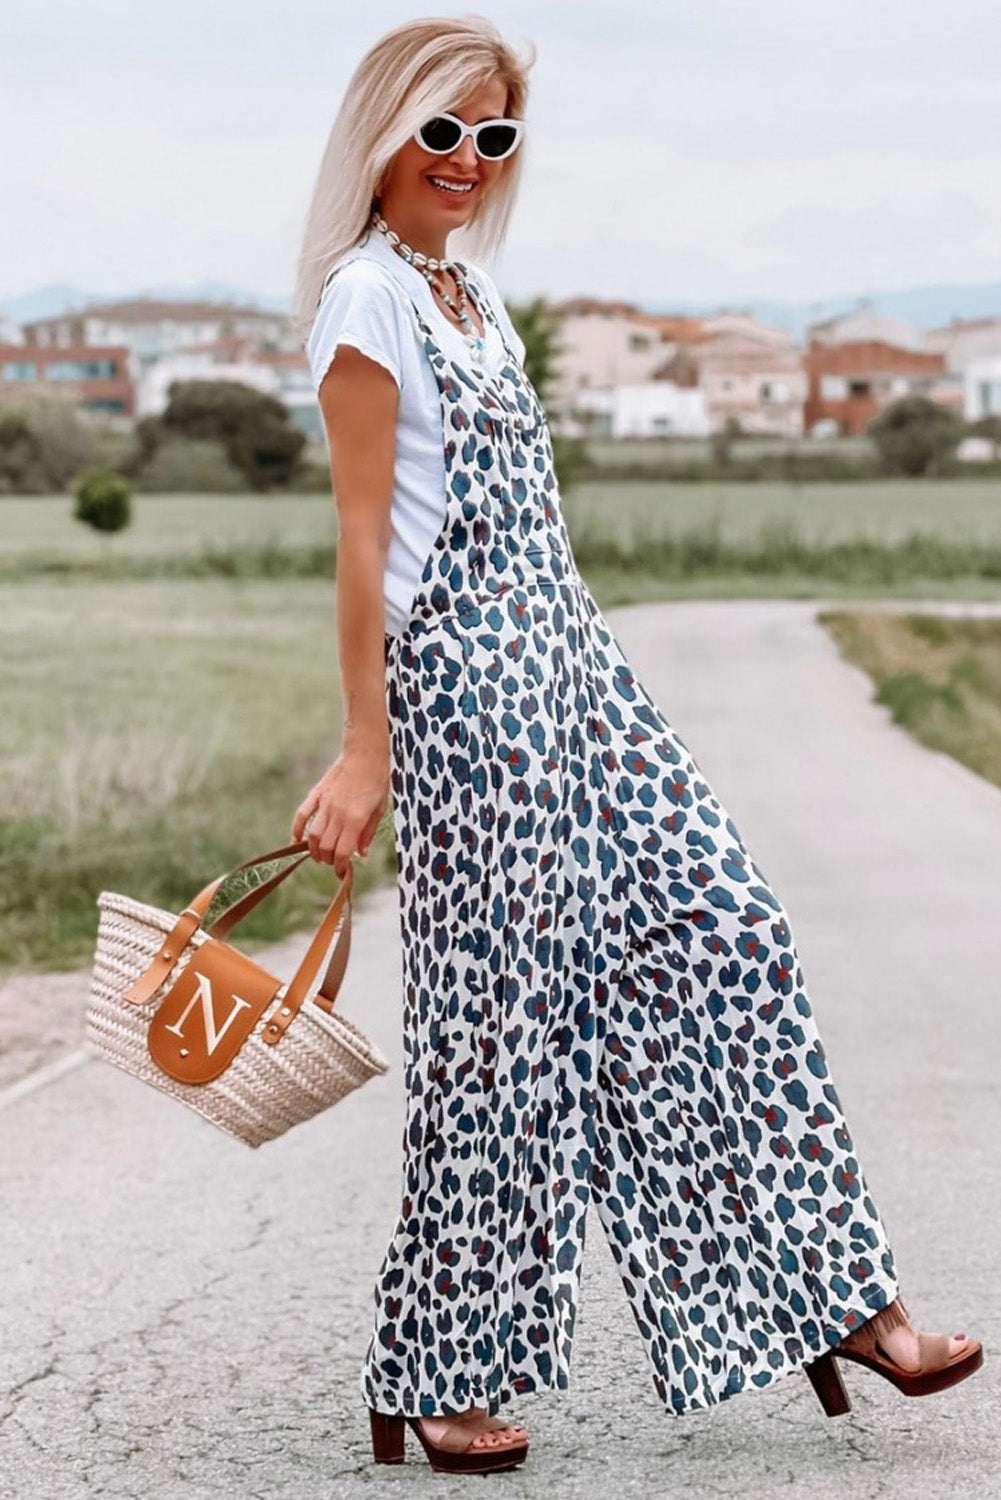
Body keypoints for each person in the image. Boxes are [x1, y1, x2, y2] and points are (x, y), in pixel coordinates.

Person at [289, 14, 982, 1477]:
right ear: (381, 135)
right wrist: (367, 750)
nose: (468, 161)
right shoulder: (368, 302)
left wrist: (583, 672)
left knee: (728, 936)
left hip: (578, 678)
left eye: (494, 137)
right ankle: (435, 1362)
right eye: (443, 131)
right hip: (469, 702)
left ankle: (838, 1298)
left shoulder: (464, 292)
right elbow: (360, 550)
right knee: (506, 1044)